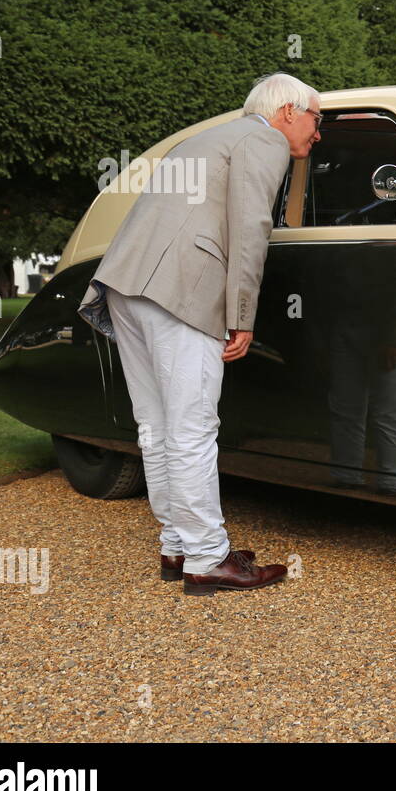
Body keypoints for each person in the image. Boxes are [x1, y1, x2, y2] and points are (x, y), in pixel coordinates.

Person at [77, 72, 321, 593]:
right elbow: (251, 225)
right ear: (286, 112)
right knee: (191, 428)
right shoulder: (264, 138)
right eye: (315, 118)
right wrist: (241, 313)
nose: (317, 131)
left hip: (126, 284)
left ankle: (178, 546)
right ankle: (208, 559)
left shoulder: (202, 139)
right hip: (182, 289)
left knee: (158, 426)